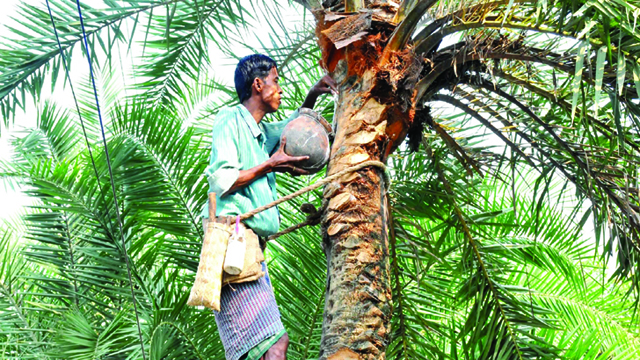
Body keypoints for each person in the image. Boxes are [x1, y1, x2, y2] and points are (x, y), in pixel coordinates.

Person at [201, 54, 337, 360]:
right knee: (274, 345)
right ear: (258, 84)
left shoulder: (261, 134)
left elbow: (295, 127)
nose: (280, 89)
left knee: (266, 348)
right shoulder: (230, 120)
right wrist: (269, 165)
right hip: (232, 244)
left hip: (248, 249)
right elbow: (222, 179)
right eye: (276, 81)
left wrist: (314, 94)